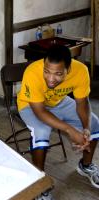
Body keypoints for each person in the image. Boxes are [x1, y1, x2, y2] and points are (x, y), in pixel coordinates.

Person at [17, 44, 99, 199]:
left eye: (58, 74)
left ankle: (86, 166)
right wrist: (70, 130)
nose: (50, 78)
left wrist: (86, 128)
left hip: (58, 102)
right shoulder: (33, 72)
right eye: (47, 71)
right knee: (42, 131)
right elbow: (40, 112)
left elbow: (82, 103)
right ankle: (39, 183)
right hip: (31, 105)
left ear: (68, 69)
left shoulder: (81, 71)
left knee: (95, 123)